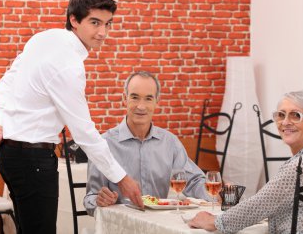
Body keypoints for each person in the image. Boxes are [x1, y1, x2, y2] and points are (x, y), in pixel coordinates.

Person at [0, 0, 142, 234]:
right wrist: (122, 179)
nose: (103, 33)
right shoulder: (68, 65)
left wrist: (1, 119)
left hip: (10, 155)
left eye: (108, 24)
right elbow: (84, 132)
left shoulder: (43, 38)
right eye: (95, 23)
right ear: (74, 20)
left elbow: (7, 79)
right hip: (32, 161)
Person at [187, 91, 303, 233]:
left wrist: (213, 222)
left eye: (295, 115)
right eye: (281, 115)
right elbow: (269, 202)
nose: (285, 122)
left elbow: (258, 206)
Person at [83, 71, 211, 216]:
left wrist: (217, 193)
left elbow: (194, 181)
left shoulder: (170, 142)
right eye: (135, 97)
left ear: (157, 101)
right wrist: (100, 201)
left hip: (158, 226)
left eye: (148, 98)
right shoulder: (104, 144)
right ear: (125, 98)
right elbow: (90, 199)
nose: (141, 106)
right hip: (120, 227)